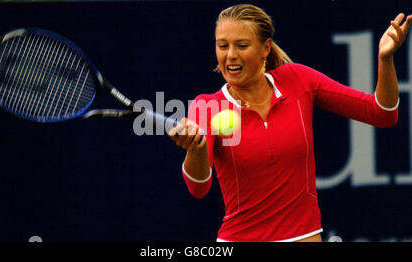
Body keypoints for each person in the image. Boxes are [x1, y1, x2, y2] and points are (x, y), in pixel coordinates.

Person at [168, 4, 412, 242]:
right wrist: (196, 149)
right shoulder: (206, 106)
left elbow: (382, 114)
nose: (230, 55)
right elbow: (198, 188)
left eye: (241, 45)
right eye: (222, 46)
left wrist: (385, 59)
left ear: (265, 48)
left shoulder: (298, 80)